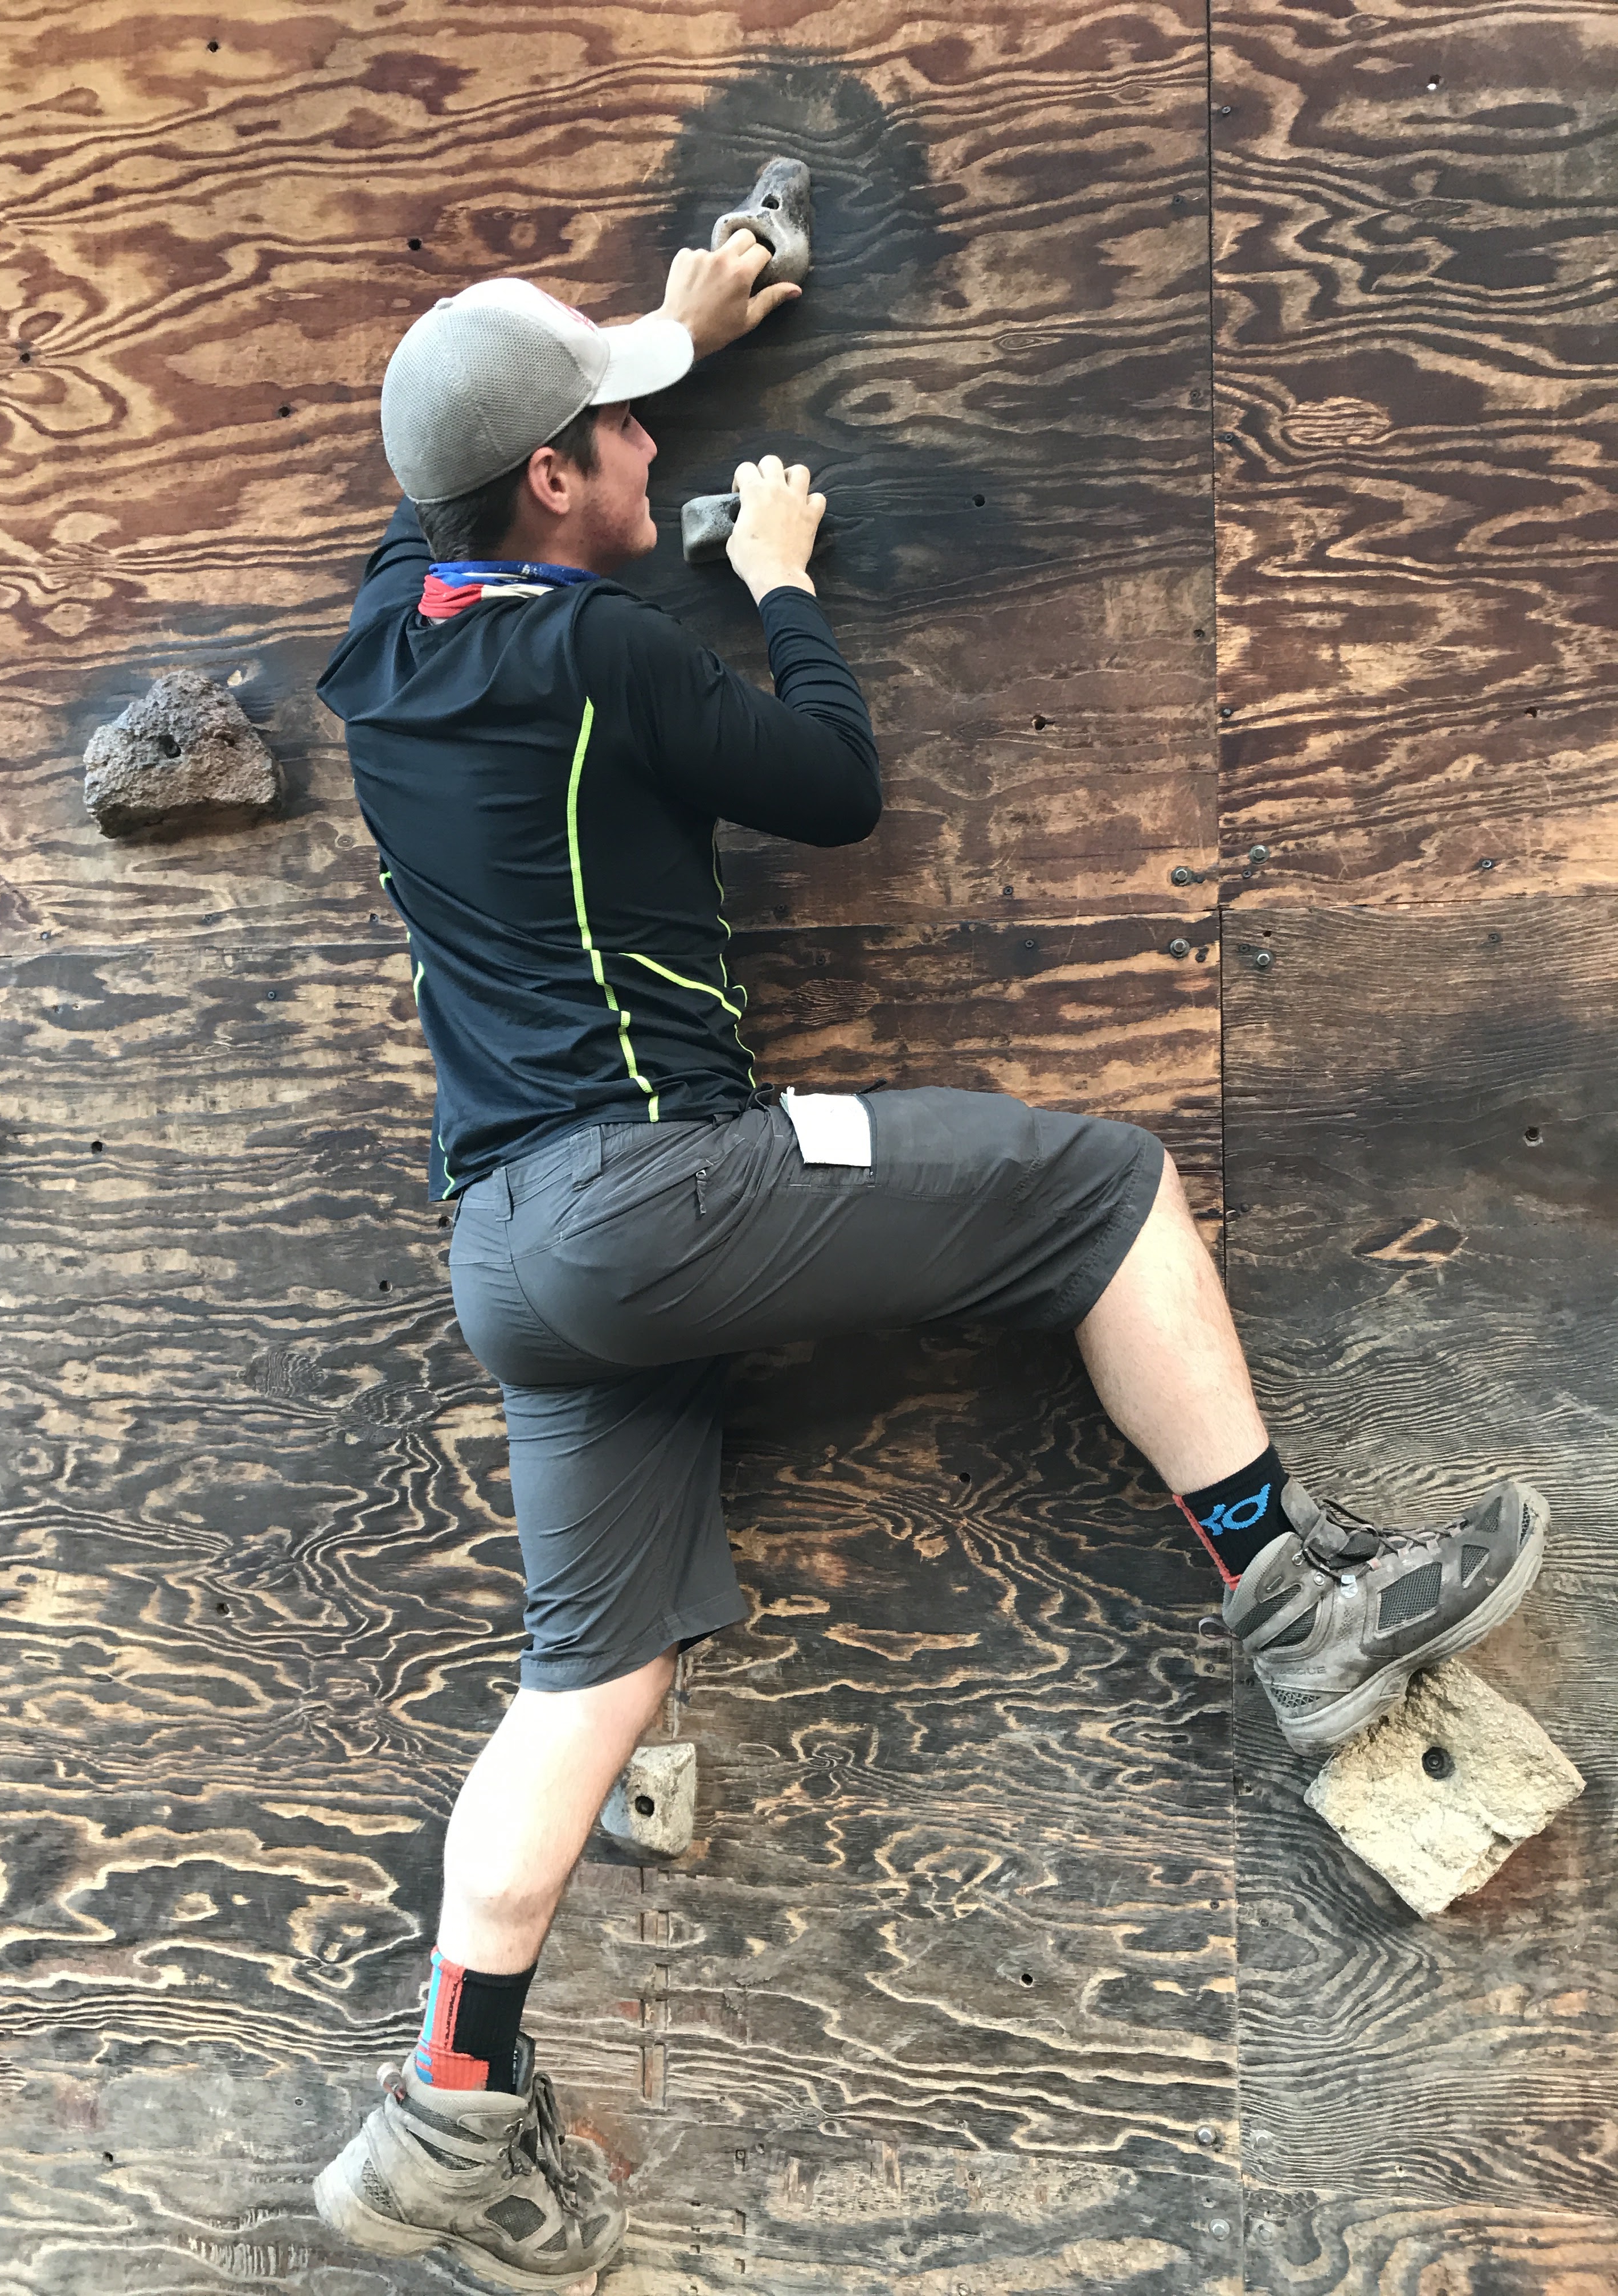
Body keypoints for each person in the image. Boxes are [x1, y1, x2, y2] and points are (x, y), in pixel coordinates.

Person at [310, 231, 1547, 2293]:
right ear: (553, 479)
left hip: (508, 1252)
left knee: (587, 1679)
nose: (648, 446)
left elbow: (473, 473)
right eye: (619, 430)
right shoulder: (601, 651)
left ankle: (443, 2113)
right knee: (1101, 1190)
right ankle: (1299, 1604)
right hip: (659, 1187)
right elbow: (835, 789)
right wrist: (781, 583)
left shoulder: (381, 629)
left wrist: (679, 336)